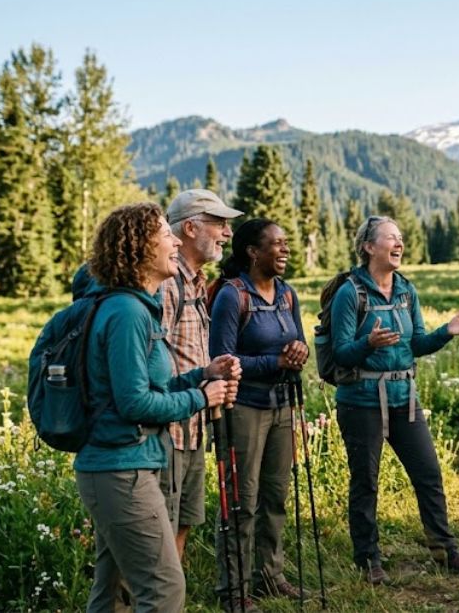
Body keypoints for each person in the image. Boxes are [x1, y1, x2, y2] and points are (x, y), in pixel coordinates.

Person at [75, 202, 238, 612]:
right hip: (122, 468)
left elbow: (150, 387)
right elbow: (134, 403)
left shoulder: (132, 307)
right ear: (139, 248)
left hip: (124, 464)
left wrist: (200, 376)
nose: (174, 243)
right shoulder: (128, 312)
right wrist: (202, 398)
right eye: (166, 235)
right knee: (164, 588)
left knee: (110, 591)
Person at [331, 216, 459, 585]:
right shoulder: (350, 293)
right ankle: (368, 559)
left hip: (404, 398)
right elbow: (340, 354)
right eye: (390, 238)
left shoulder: (405, 290)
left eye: (400, 238)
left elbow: (416, 344)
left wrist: (446, 332)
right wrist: (368, 344)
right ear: (369, 247)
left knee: (428, 474)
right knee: (366, 483)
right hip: (361, 401)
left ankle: (445, 550)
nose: (399, 243)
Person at [210, 219, 309, 605]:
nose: (285, 250)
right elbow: (222, 361)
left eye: (286, 243)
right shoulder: (232, 296)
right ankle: (233, 589)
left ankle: (270, 575)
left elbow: (299, 344)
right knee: (242, 501)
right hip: (243, 409)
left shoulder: (287, 294)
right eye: (277, 244)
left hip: (282, 406)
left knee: (275, 496)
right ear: (253, 252)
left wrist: (299, 352)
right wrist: (275, 362)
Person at [160, 190, 242, 563]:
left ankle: (170, 594)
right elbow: (151, 361)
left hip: (192, 427)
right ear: (190, 228)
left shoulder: (196, 281)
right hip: (166, 431)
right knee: (158, 534)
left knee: (182, 524)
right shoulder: (167, 283)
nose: (227, 233)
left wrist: (214, 374)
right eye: (219, 223)